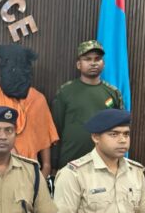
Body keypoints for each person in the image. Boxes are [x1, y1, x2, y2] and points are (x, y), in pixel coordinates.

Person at [53, 109, 145, 213]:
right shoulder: (73, 174)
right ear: (96, 137)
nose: (123, 140)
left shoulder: (135, 171)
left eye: (126, 134)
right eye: (114, 134)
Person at [0, 44, 57, 177]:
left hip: (29, 170)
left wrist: (46, 167)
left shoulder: (38, 99)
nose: (14, 71)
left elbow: (45, 136)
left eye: (19, 67)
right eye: (9, 67)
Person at [51, 40, 123, 170]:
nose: (93, 63)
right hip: (70, 162)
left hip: (104, 163)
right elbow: (55, 130)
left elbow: (119, 130)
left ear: (103, 63)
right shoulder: (65, 91)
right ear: (79, 64)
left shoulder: (113, 93)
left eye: (97, 59)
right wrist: (53, 164)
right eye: (87, 59)